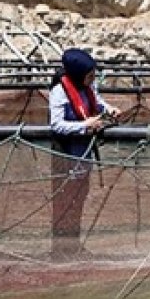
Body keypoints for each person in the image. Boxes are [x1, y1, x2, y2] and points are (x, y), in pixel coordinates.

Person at [47, 47, 119, 261]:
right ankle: (60, 249)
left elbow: (97, 101)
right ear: (78, 74)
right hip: (66, 154)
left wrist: (109, 109)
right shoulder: (59, 91)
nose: (93, 79)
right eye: (89, 75)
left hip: (84, 154)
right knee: (64, 201)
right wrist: (84, 125)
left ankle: (74, 245)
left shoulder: (88, 86)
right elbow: (56, 124)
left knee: (78, 199)